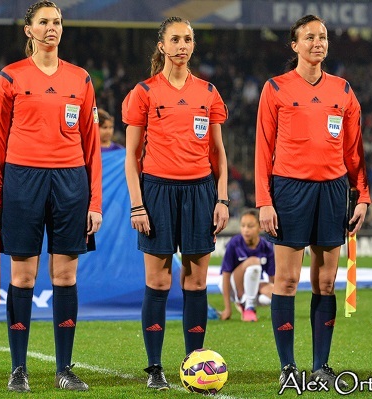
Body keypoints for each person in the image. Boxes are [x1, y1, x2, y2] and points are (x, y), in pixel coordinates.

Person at [0, 1, 102, 393]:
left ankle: (64, 368)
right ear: (28, 30)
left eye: (57, 22)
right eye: (44, 22)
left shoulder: (81, 79)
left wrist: (95, 202)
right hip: (22, 181)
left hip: (71, 183)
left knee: (65, 275)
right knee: (23, 276)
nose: (52, 28)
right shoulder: (10, 77)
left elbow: (92, 146)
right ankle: (19, 368)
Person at [255, 15, 370, 390]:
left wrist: (362, 195)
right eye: (309, 37)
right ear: (295, 45)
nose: (317, 43)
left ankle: (321, 365)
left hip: (334, 191)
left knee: (325, 282)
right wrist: (264, 201)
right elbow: (263, 150)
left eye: (322, 37)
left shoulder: (343, 91)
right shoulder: (276, 89)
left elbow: (354, 152)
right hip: (289, 190)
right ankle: (288, 365)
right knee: (286, 281)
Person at [122, 16, 229, 391]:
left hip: (200, 192)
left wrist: (222, 198)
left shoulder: (208, 92)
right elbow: (132, 156)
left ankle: (195, 363)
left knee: (197, 280)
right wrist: (138, 205)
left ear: (193, 45)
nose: (182, 46)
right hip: (157, 191)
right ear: (162, 46)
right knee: (158, 280)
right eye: (175, 40)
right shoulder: (144, 91)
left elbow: (218, 153)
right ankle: (154, 368)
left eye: (188, 40)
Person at [219, 209, 275, 322]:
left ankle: (245, 303)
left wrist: (269, 290)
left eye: (250, 226)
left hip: (251, 285)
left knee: (275, 293)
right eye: (243, 226)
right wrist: (227, 308)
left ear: (260, 228)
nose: (246, 230)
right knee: (254, 261)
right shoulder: (234, 243)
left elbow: (272, 278)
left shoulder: (267, 247)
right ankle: (249, 307)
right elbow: (225, 275)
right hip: (232, 286)